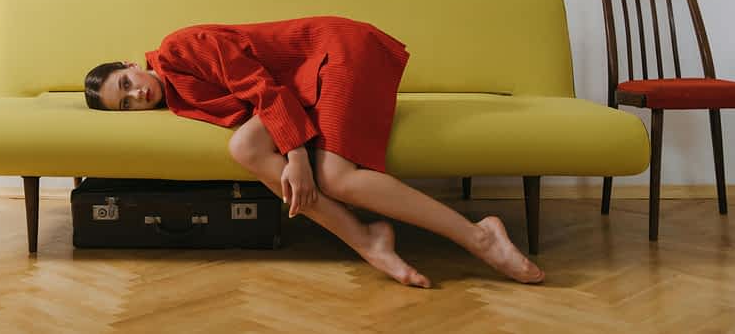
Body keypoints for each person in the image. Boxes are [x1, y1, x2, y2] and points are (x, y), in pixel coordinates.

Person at [84, 15, 544, 288]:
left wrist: (298, 157)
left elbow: (261, 87)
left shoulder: (179, 48)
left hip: (335, 51)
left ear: (131, 65)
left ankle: (478, 235)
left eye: (126, 84)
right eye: (124, 104)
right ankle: (367, 240)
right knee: (244, 144)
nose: (137, 96)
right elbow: (259, 114)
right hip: (304, 86)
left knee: (336, 177)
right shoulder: (182, 101)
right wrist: (290, 148)